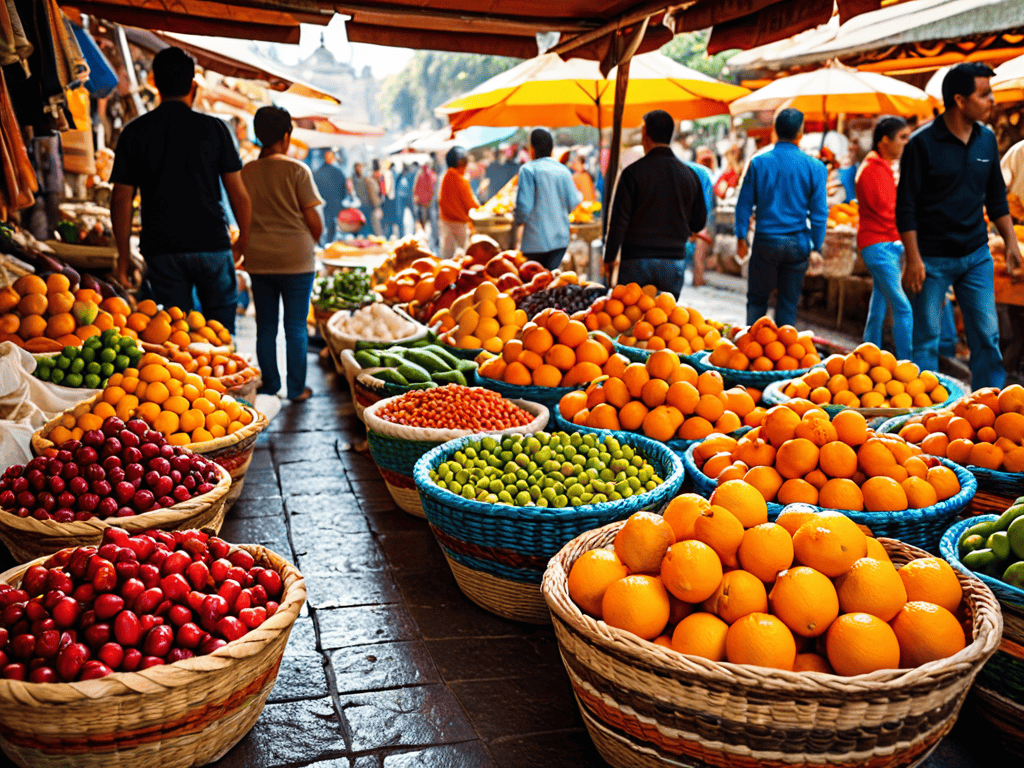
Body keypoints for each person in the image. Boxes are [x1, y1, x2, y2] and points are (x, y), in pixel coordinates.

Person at [897, 61, 1022, 389]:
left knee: (987, 335)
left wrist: (1011, 244)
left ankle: (988, 403)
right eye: (984, 94)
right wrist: (912, 258)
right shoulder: (920, 144)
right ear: (959, 100)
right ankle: (923, 413)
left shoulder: (987, 140)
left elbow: (996, 197)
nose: (992, 100)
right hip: (931, 258)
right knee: (927, 338)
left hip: (976, 254)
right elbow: (905, 206)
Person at [110, 47, 249, 334]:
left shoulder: (135, 132)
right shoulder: (216, 129)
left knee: (175, 336)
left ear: (155, 83)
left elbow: (121, 199)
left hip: (163, 249)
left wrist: (123, 258)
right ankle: (226, 376)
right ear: (193, 87)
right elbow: (239, 194)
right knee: (221, 334)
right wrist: (243, 241)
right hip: (212, 244)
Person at [238, 106, 322, 403]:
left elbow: (241, 216)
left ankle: (271, 384)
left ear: (258, 136)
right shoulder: (297, 170)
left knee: (266, 326)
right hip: (297, 260)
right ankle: (297, 389)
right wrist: (303, 244)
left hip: (259, 260)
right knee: (296, 327)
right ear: (286, 136)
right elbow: (315, 223)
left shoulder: (245, 172)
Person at [735, 108, 828, 327]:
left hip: (766, 241)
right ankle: (783, 355)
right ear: (800, 132)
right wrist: (817, 246)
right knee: (788, 304)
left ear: (775, 131)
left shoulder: (759, 163)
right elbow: (819, 214)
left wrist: (741, 236)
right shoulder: (815, 166)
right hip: (797, 244)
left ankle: (752, 350)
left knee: (757, 301)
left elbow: (744, 204)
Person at [603, 110, 707, 296]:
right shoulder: (690, 175)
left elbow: (619, 221)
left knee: (631, 320)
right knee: (666, 321)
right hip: (673, 261)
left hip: (636, 260)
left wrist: (609, 257)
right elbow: (698, 223)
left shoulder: (632, 174)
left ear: (645, 135)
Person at [857, 116, 914, 360]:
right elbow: (887, 209)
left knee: (879, 306)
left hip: (883, 243)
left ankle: (867, 354)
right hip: (879, 245)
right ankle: (907, 363)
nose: (905, 143)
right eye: (902, 138)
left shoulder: (882, 167)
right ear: (884, 141)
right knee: (902, 306)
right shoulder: (873, 169)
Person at [513, 128, 582, 270]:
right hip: (560, 242)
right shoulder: (563, 170)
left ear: (532, 149)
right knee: (551, 283)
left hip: (535, 243)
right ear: (551, 149)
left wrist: (517, 220)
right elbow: (574, 202)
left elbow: (523, 209)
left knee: (534, 284)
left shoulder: (528, 169)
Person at [438, 146, 478, 258]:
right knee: (464, 254)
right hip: (460, 223)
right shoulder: (461, 180)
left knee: (447, 254)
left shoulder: (445, 177)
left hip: (446, 221)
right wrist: (481, 209)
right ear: (461, 163)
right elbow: (470, 203)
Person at [685, 160, 715, 287]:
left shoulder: (681, 168)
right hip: (701, 212)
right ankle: (698, 278)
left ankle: (697, 277)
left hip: (688, 211)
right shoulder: (705, 173)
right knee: (700, 247)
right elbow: (706, 203)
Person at [313, 149, 345, 245]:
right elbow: (343, 190)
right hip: (331, 204)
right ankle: (328, 245)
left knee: (325, 226)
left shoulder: (317, 172)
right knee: (331, 227)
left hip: (323, 204)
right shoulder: (338, 172)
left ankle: (324, 245)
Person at [350, 162, 376, 237]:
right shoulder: (352, 179)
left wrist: (375, 205)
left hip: (367, 205)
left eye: (360, 167)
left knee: (369, 224)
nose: (359, 169)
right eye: (357, 167)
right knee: (359, 226)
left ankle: (370, 238)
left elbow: (371, 192)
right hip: (357, 206)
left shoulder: (366, 179)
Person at [413, 160, 436, 240]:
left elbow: (418, 188)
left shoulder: (424, 175)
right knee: (426, 221)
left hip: (424, 202)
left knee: (425, 221)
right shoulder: (429, 175)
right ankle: (426, 238)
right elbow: (430, 189)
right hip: (425, 202)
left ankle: (426, 238)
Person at [395, 162, 415, 237]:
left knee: (414, 216)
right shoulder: (399, 176)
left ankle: (413, 234)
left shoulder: (410, 175)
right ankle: (401, 235)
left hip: (408, 197)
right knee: (400, 217)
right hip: (400, 198)